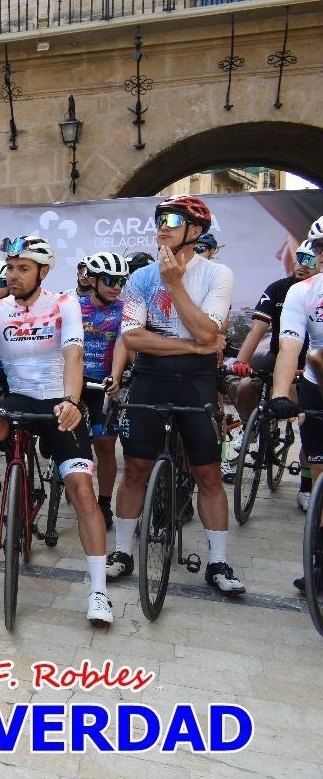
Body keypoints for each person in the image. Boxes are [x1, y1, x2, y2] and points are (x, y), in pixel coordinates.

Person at [0, 236, 113, 626]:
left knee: (82, 492)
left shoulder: (63, 304)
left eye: (23, 268)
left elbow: (74, 353)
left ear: (43, 271)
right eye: (10, 268)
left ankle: (99, 591)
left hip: (59, 399)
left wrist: (72, 401)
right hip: (20, 397)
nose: (14, 275)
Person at [112, 195, 244, 596]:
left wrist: (173, 284)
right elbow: (133, 338)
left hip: (196, 383)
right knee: (135, 469)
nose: (162, 228)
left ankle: (218, 562)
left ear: (195, 231)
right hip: (150, 379)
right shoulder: (141, 277)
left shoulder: (218, 274)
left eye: (171, 220)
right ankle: (122, 552)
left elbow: (209, 331)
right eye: (159, 220)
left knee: (208, 474)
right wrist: (193, 345)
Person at [232, 239, 319, 509]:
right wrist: (240, 362)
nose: (304, 264)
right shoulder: (279, 288)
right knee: (246, 385)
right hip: (281, 353)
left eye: (311, 259)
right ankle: (247, 429)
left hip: (310, 362)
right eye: (300, 257)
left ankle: (306, 486)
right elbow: (257, 330)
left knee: (306, 416)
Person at [270, 228, 323, 592]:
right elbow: (290, 346)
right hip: (318, 385)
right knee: (319, 470)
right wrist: (279, 394)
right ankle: (320, 560)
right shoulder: (302, 291)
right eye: (320, 248)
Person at [79, 252, 131, 529]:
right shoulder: (74, 306)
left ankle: (104, 502)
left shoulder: (124, 310)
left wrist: (116, 377)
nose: (116, 287)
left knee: (106, 444)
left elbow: (123, 342)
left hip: (103, 384)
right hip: (74, 382)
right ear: (94, 280)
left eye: (121, 281)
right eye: (110, 280)